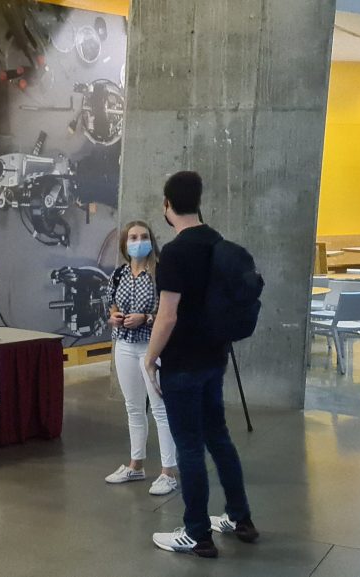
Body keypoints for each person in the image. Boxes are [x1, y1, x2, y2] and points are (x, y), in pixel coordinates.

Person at [147, 172, 258, 558]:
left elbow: (167, 316)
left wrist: (148, 359)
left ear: (167, 205)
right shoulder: (216, 241)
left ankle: (197, 533)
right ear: (198, 201)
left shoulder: (176, 252)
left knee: (189, 447)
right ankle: (239, 517)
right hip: (215, 358)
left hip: (181, 364)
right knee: (218, 436)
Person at [105, 221, 178, 496]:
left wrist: (146, 318)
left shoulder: (161, 272)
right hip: (123, 344)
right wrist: (114, 316)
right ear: (125, 243)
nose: (138, 241)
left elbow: (170, 311)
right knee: (133, 407)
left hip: (152, 346)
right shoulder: (120, 273)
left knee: (160, 409)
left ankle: (168, 471)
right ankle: (136, 465)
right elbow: (110, 302)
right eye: (133, 237)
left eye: (143, 236)